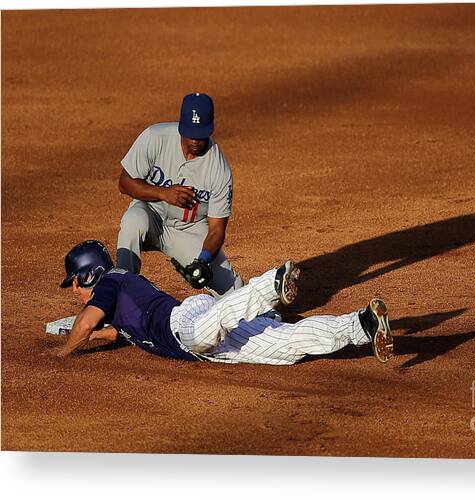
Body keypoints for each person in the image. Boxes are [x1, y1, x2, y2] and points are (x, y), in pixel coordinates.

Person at [50, 240, 395, 365]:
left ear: (92, 274)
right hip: (211, 350)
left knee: (203, 331)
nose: (74, 290)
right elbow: (112, 333)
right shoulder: (119, 301)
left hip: (184, 325)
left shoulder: (111, 282)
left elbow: (85, 322)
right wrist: (90, 341)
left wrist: (63, 354)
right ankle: (362, 325)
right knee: (287, 348)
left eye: (76, 282)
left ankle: (271, 285)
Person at [116, 92, 243, 296]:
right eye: (190, 132)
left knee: (231, 289)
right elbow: (124, 183)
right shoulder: (154, 138)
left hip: (188, 229)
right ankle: (120, 293)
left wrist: (203, 260)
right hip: (151, 216)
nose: (195, 140)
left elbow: (216, 230)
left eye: (201, 133)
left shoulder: (219, 168)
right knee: (133, 220)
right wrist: (163, 193)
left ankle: (262, 317)